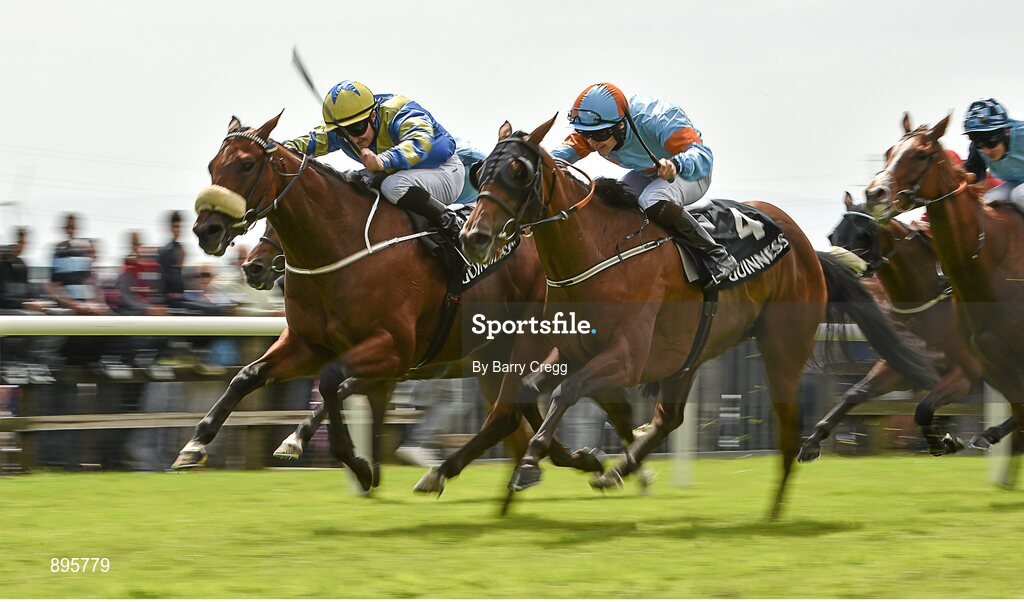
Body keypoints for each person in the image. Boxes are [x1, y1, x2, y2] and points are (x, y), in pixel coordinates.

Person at [550, 82, 738, 286]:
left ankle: (717, 255)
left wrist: (676, 164)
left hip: (691, 173)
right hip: (650, 172)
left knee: (652, 199)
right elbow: (555, 159)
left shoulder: (657, 118)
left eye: (600, 134)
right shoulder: (594, 128)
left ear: (620, 125)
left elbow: (703, 156)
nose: (592, 142)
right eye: (586, 134)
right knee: (615, 202)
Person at [282, 80, 466, 239]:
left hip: (444, 171)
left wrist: (382, 161)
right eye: (343, 133)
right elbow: (302, 144)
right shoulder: (340, 129)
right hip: (402, 176)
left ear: (373, 115)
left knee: (392, 185)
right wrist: (264, 146)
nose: (353, 139)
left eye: (357, 128)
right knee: (349, 180)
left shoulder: (399, 110)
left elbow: (420, 142)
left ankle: (453, 223)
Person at [962, 98, 1024, 207]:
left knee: (1019, 195)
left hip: (1018, 190)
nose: (985, 151)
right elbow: (971, 177)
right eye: (979, 144)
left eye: (990, 142)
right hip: (1015, 182)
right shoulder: (977, 150)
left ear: (1006, 131)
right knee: (988, 201)